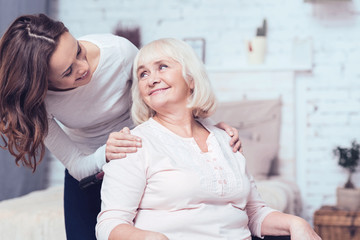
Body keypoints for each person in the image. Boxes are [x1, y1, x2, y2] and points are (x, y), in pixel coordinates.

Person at [0, 14, 241, 240]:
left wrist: (209, 132)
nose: (83, 67)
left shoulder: (118, 53)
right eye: (68, 72)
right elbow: (76, 164)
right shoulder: (35, 102)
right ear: (42, 83)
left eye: (78, 51)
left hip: (140, 159)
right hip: (87, 169)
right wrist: (105, 153)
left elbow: (161, 100)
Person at [96, 38, 322, 240]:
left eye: (162, 67)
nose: (151, 79)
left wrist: (297, 223)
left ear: (191, 79)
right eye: (143, 74)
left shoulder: (225, 139)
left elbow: (254, 212)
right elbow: (110, 224)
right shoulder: (134, 143)